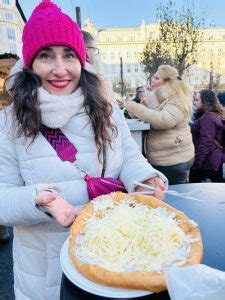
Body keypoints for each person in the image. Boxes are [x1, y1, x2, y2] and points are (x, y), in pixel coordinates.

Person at [0, 1, 167, 299]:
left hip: (116, 256)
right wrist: (39, 202)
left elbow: (128, 155)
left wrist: (143, 178)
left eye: (69, 55)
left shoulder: (104, 106)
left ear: (81, 59)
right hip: (47, 272)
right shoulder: (8, 122)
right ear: (29, 62)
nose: (60, 69)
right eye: (46, 55)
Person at [125, 65, 195, 185]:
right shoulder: (158, 98)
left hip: (174, 160)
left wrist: (135, 107)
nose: (153, 80)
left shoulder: (177, 98)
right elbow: (142, 115)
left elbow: (163, 120)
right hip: (165, 157)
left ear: (167, 81)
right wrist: (132, 109)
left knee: (173, 197)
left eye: (157, 78)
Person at [189, 90, 225, 183]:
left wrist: (197, 163)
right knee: (218, 188)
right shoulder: (213, 115)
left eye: (197, 100)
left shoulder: (208, 117)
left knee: (193, 189)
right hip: (214, 157)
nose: (194, 102)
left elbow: (206, 142)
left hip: (207, 160)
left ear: (205, 101)